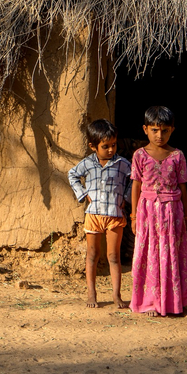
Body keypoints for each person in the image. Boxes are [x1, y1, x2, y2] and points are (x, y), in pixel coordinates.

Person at [129, 105, 187, 316]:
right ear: (145, 129)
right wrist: (133, 216)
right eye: (155, 130)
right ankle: (149, 301)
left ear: (172, 129)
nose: (159, 135)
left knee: (170, 252)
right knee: (149, 253)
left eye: (164, 130)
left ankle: (174, 302)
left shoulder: (177, 156)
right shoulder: (139, 155)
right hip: (147, 212)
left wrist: (186, 215)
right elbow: (136, 185)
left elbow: (183, 186)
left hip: (172, 211)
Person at [68, 118, 131, 309]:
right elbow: (72, 175)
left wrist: (125, 198)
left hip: (115, 215)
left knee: (114, 256)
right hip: (93, 215)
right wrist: (83, 193)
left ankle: (116, 295)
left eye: (113, 145)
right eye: (106, 146)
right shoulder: (87, 164)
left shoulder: (122, 164)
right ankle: (91, 294)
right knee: (93, 255)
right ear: (93, 146)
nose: (111, 150)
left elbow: (135, 180)